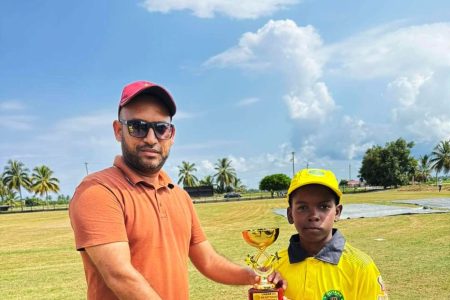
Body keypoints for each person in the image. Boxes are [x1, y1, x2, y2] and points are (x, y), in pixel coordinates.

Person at [69, 80, 285, 300]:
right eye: (138, 127)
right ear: (118, 130)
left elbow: (208, 260)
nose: (151, 139)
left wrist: (254, 276)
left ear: (171, 135)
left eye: (161, 128)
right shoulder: (98, 191)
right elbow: (120, 275)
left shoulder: (179, 196)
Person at [274, 168, 388, 300]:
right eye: (303, 207)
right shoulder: (274, 267)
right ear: (290, 215)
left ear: (337, 212)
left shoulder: (360, 266)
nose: (314, 216)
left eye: (323, 207)